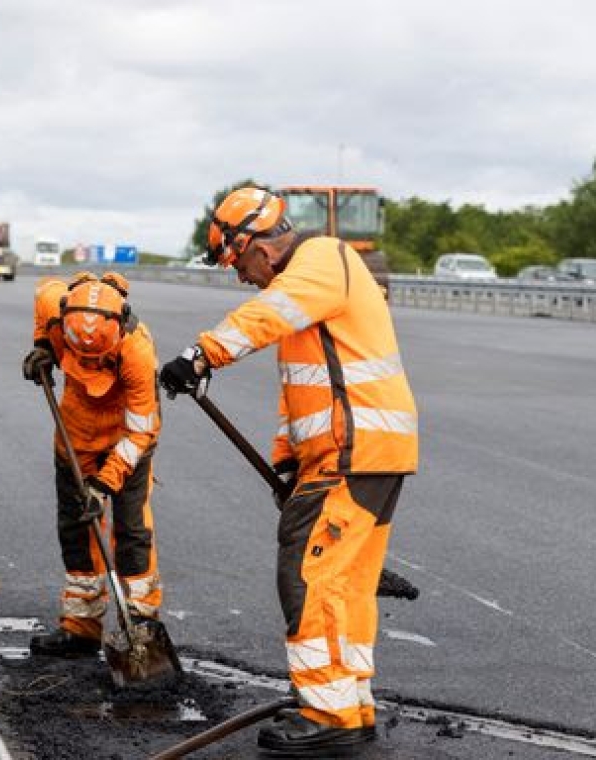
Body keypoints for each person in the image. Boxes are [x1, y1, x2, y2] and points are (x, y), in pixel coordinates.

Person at [160, 187, 418, 756]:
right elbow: (305, 390)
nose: (240, 276)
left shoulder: (321, 261)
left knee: (309, 575)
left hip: (356, 452)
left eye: (237, 262)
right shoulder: (308, 291)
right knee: (345, 585)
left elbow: (262, 318)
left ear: (256, 245)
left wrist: (200, 355)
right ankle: (348, 706)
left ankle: (325, 714)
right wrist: (286, 455)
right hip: (358, 453)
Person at [22, 271, 164, 656]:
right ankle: (81, 628)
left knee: (132, 530)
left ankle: (142, 628)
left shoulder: (138, 352)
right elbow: (42, 296)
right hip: (76, 435)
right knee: (76, 529)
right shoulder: (56, 306)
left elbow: (140, 434)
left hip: (126, 435)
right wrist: (43, 348)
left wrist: (104, 485)